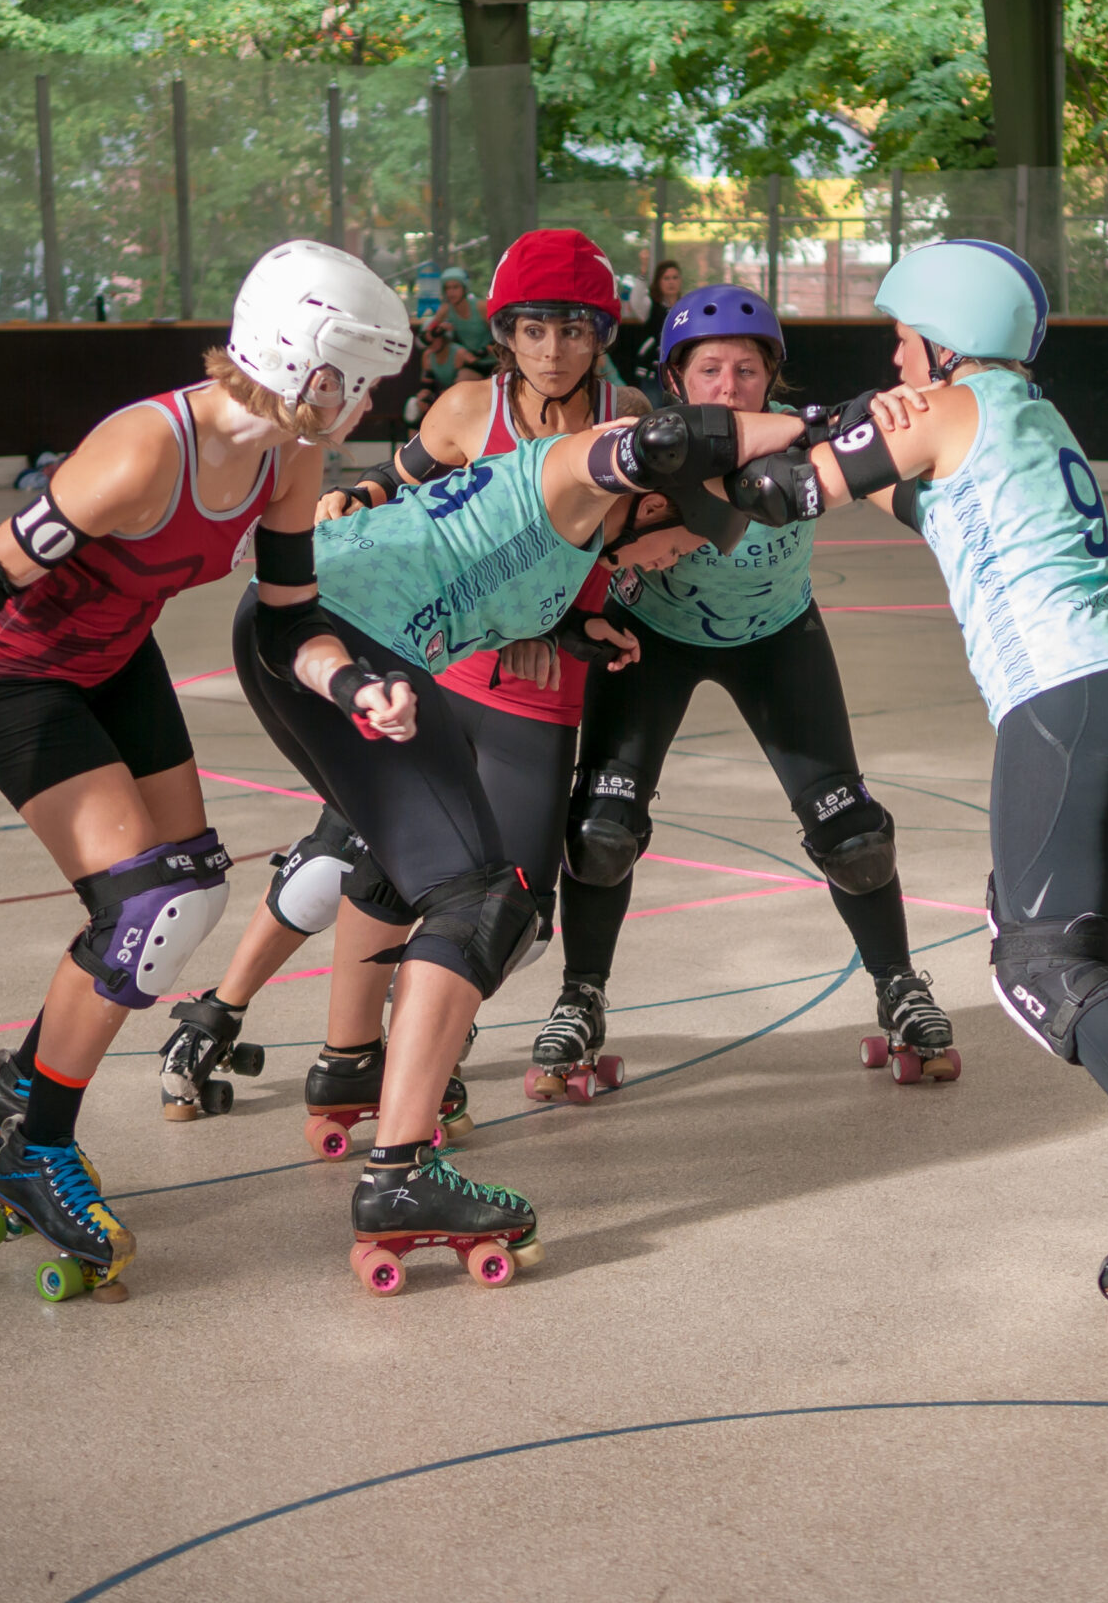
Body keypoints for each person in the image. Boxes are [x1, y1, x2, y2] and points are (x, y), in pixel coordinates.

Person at [715, 238, 1108, 1336]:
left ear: (948, 338)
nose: (894, 362)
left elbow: (783, 491)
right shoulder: (1016, 417)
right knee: (1064, 917)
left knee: (1039, 959)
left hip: (1066, 695)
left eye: (902, 342)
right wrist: (835, 426)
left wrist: (707, 447)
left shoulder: (950, 402)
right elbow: (900, 497)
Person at [0, 238, 414, 1301]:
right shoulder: (144, 451)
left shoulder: (288, 456)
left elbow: (292, 615)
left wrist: (352, 685)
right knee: (143, 906)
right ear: (300, 358)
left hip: (115, 662)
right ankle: (39, 1147)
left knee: (191, 889)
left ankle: (22, 1081)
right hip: (16, 680)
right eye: (358, 375)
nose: (367, 400)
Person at [232, 386, 797, 1289]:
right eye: (682, 540)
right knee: (487, 900)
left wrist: (576, 626)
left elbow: (488, 572)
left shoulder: (580, 542)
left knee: (407, 858)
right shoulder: (574, 478)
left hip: (306, 630)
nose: (673, 562)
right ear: (652, 500)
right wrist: (841, 434)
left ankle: (349, 1073)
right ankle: (400, 1177)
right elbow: (659, 437)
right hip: (337, 636)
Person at [156, 228, 644, 1127]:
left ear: (601, 334)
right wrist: (347, 502)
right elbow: (397, 487)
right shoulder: (466, 408)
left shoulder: (627, 418)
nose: (552, 350)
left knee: (514, 916)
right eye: (533, 330)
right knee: (352, 852)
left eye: (573, 330)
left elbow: (620, 557)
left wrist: (568, 622)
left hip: (535, 691)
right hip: (430, 660)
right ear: (504, 333)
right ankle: (229, 1015)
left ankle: (415, 1038)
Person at [542, 280, 955, 1100]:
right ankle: (579, 995)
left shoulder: (806, 449)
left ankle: (899, 984)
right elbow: (564, 534)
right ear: (675, 383)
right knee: (602, 832)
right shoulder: (638, 448)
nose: (727, 389)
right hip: (649, 640)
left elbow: (895, 483)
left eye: (744, 371)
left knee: (853, 835)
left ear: (772, 380)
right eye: (708, 373)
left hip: (777, 642)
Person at [627, 259, 683, 400]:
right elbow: (636, 300)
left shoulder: (685, 307)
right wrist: (643, 272)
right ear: (659, 282)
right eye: (666, 278)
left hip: (679, 372)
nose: (671, 282)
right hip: (653, 373)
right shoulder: (651, 306)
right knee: (653, 414)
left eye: (675, 278)